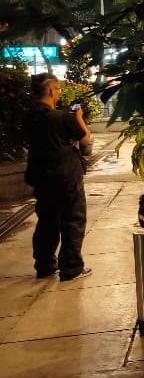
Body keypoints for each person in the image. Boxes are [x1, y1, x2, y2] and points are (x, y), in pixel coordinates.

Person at [22, 73, 93, 281]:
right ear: (51, 90)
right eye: (58, 89)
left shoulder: (29, 118)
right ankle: (71, 268)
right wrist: (78, 118)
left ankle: (45, 265)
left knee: (46, 220)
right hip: (66, 177)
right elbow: (85, 139)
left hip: (41, 176)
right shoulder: (62, 117)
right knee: (73, 219)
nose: (59, 93)